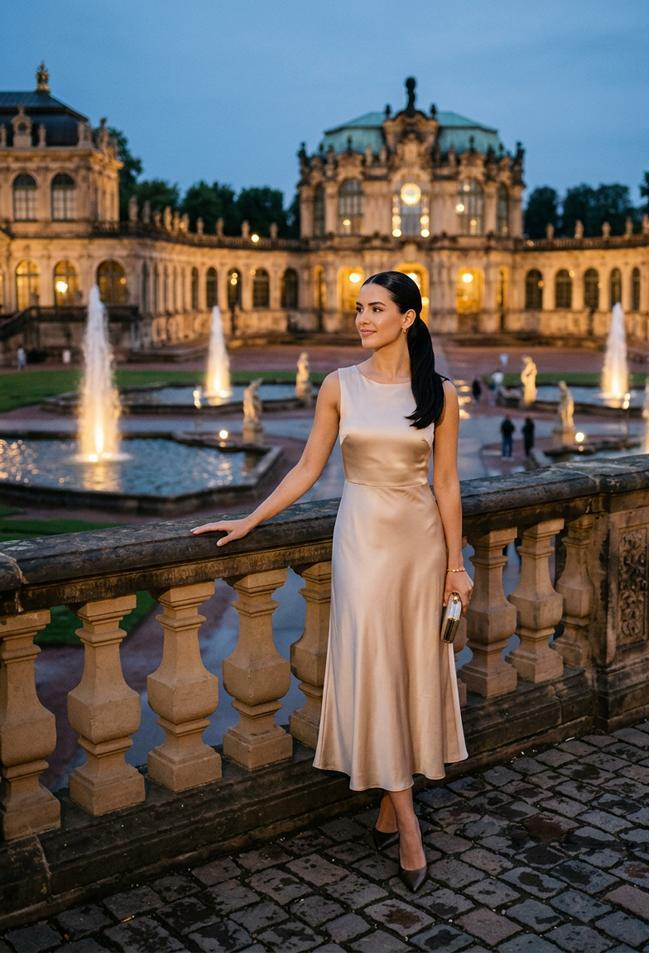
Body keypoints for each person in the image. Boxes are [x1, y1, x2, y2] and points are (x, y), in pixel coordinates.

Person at [191, 271, 471, 893]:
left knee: (412, 666)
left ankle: (388, 808)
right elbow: (308, 467)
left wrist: (456, 566)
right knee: (374, 665)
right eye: (358, 308)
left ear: (408, 318)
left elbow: (447, 483)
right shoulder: (339, 385)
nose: (361, 319)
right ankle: (410, 828)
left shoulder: (441, 392)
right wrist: (251, 518)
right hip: (363, 542)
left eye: (375, 308)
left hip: (421, 544)